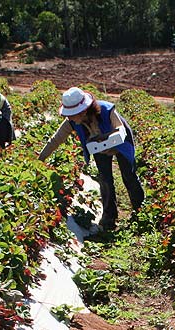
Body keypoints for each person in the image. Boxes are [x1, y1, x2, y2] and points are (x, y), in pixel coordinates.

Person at [38, 87, 145, 231]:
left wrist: (108, 138)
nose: (69, 118)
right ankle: (109, 218)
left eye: (72, 114)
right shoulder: (72, 122)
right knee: (105, 179)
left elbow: (120, 129)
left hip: (121, 142)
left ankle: (140, 212)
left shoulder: (106, 110)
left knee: (128, 175)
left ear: (83, 111)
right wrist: (40, 159)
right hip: (98, 147)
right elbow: (56, 140)